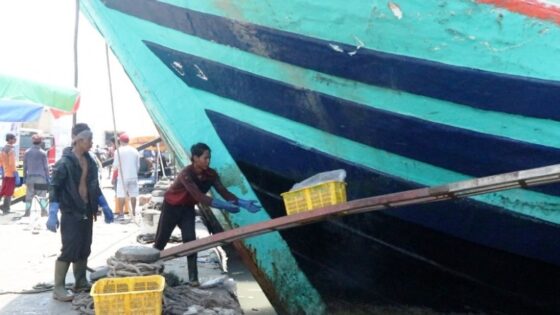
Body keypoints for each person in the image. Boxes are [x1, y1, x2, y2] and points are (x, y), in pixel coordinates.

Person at [153, 142, 262, 286]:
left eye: (209, 158)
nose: (208, 161)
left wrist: (243, 203)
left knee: (191, 242)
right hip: (171, 207)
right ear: (195, 158)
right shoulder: (186, 173)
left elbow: (223, 192)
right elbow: (199, 197)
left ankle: (193, 279)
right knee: (161, 242)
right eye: (205, 158)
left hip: (187, 209)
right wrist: (224, 206)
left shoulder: (211, 174)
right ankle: (151, 271)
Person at [47, 123, 114, 302]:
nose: (92, 142)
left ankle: (80, 282)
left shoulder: (90, 161)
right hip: (71, 212)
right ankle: (58, 287)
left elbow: (94, 186)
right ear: (79, 140)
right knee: (69, 249)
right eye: (89, 139)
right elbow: (54, 187)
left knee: (85, 247)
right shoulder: (64, 163)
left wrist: (104, 205)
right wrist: (53, 212)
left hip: (87, 211)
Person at [112, 133, 140, 219]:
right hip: (133, 175)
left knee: (121, 195)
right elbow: (138, 166)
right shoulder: (135, 151)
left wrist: (114, 169)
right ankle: (134, 213)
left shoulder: (118, 151)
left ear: (120, 141)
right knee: (133, 194)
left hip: (123, 176)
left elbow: (115, 165)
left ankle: (121, 214)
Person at [23, 134, 49, 217]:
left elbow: (25, 166)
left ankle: (27, 213)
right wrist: (48, 179)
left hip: (30, 178)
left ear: (32, 142)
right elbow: (46, 167)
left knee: (29, 197)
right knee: (42, 196)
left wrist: (24, 178)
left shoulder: (27, 152)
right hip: (41, 178)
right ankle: (44, 212)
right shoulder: (43, 153)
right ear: (40, 142)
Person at [0, 133, 17, 215]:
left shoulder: (3, 148)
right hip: (10, 174)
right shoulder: (11, 150)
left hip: (5, 173)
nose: (15, 140)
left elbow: (0, 162)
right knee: (9, 192)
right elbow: (12, 163)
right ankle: (6, 208)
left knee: (3, 190)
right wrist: (15, 172)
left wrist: (3, 170)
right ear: (10, 139)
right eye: (14, 138)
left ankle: (4, 207)